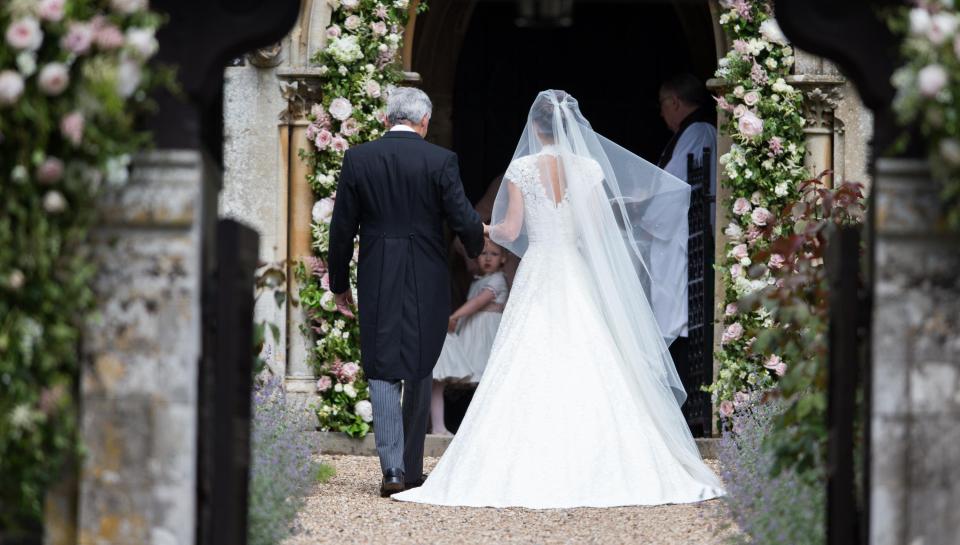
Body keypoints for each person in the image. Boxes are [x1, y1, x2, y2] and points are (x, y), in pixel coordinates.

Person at [393, 90, 724, 508]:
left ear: (534, 128)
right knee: (590, 351)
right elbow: (596, 230)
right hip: (575, 270)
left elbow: (511, 232)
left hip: (539, 270)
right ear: (572, 125)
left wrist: (480, 227)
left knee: (528, 354)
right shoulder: (587, 168)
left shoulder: (522, 168)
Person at [326, 86, 486, 497]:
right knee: (419, 366)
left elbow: (341, 229)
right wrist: (476, 246)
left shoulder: (358, 159)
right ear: (425, 121)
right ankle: (411, 470)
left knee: (381, 367)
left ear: (386, 118)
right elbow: (463, 218)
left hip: (378, 271)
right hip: (427, 276)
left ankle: (392, 469)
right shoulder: (440, 160)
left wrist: (340, 284)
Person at [657, 73, 718, 375]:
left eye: (662, 105)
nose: (661, 113)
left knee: (681, 322)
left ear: (675, 102)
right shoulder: (691, 132)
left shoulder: (698, 132)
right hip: (680, 241)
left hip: (687, 244)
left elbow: (673, 187)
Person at [430, 239, 510, 435]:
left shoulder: (498, 280)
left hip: (486, 337)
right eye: (484, 253)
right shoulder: (477, 279)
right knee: (443, 375)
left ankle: (487, 427)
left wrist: (455, 316)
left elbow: (478, 302)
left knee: (486, 379)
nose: (488, 258)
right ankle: (439, 425)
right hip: (471, 335)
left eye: (494, 254)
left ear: (503, 258)